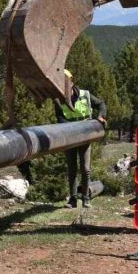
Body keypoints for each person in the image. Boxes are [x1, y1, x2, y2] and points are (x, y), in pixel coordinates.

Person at [53, 69, 106, 208]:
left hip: (85, 137)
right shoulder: (58, 100)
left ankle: (86, 198)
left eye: (66, 82)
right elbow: (60, 120)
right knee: (72, 169)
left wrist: (101, 116)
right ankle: (73, 199)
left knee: (85, 168)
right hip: (70, 139)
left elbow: (101, 104)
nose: (63, 85)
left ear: (72, 82)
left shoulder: (85, 95)